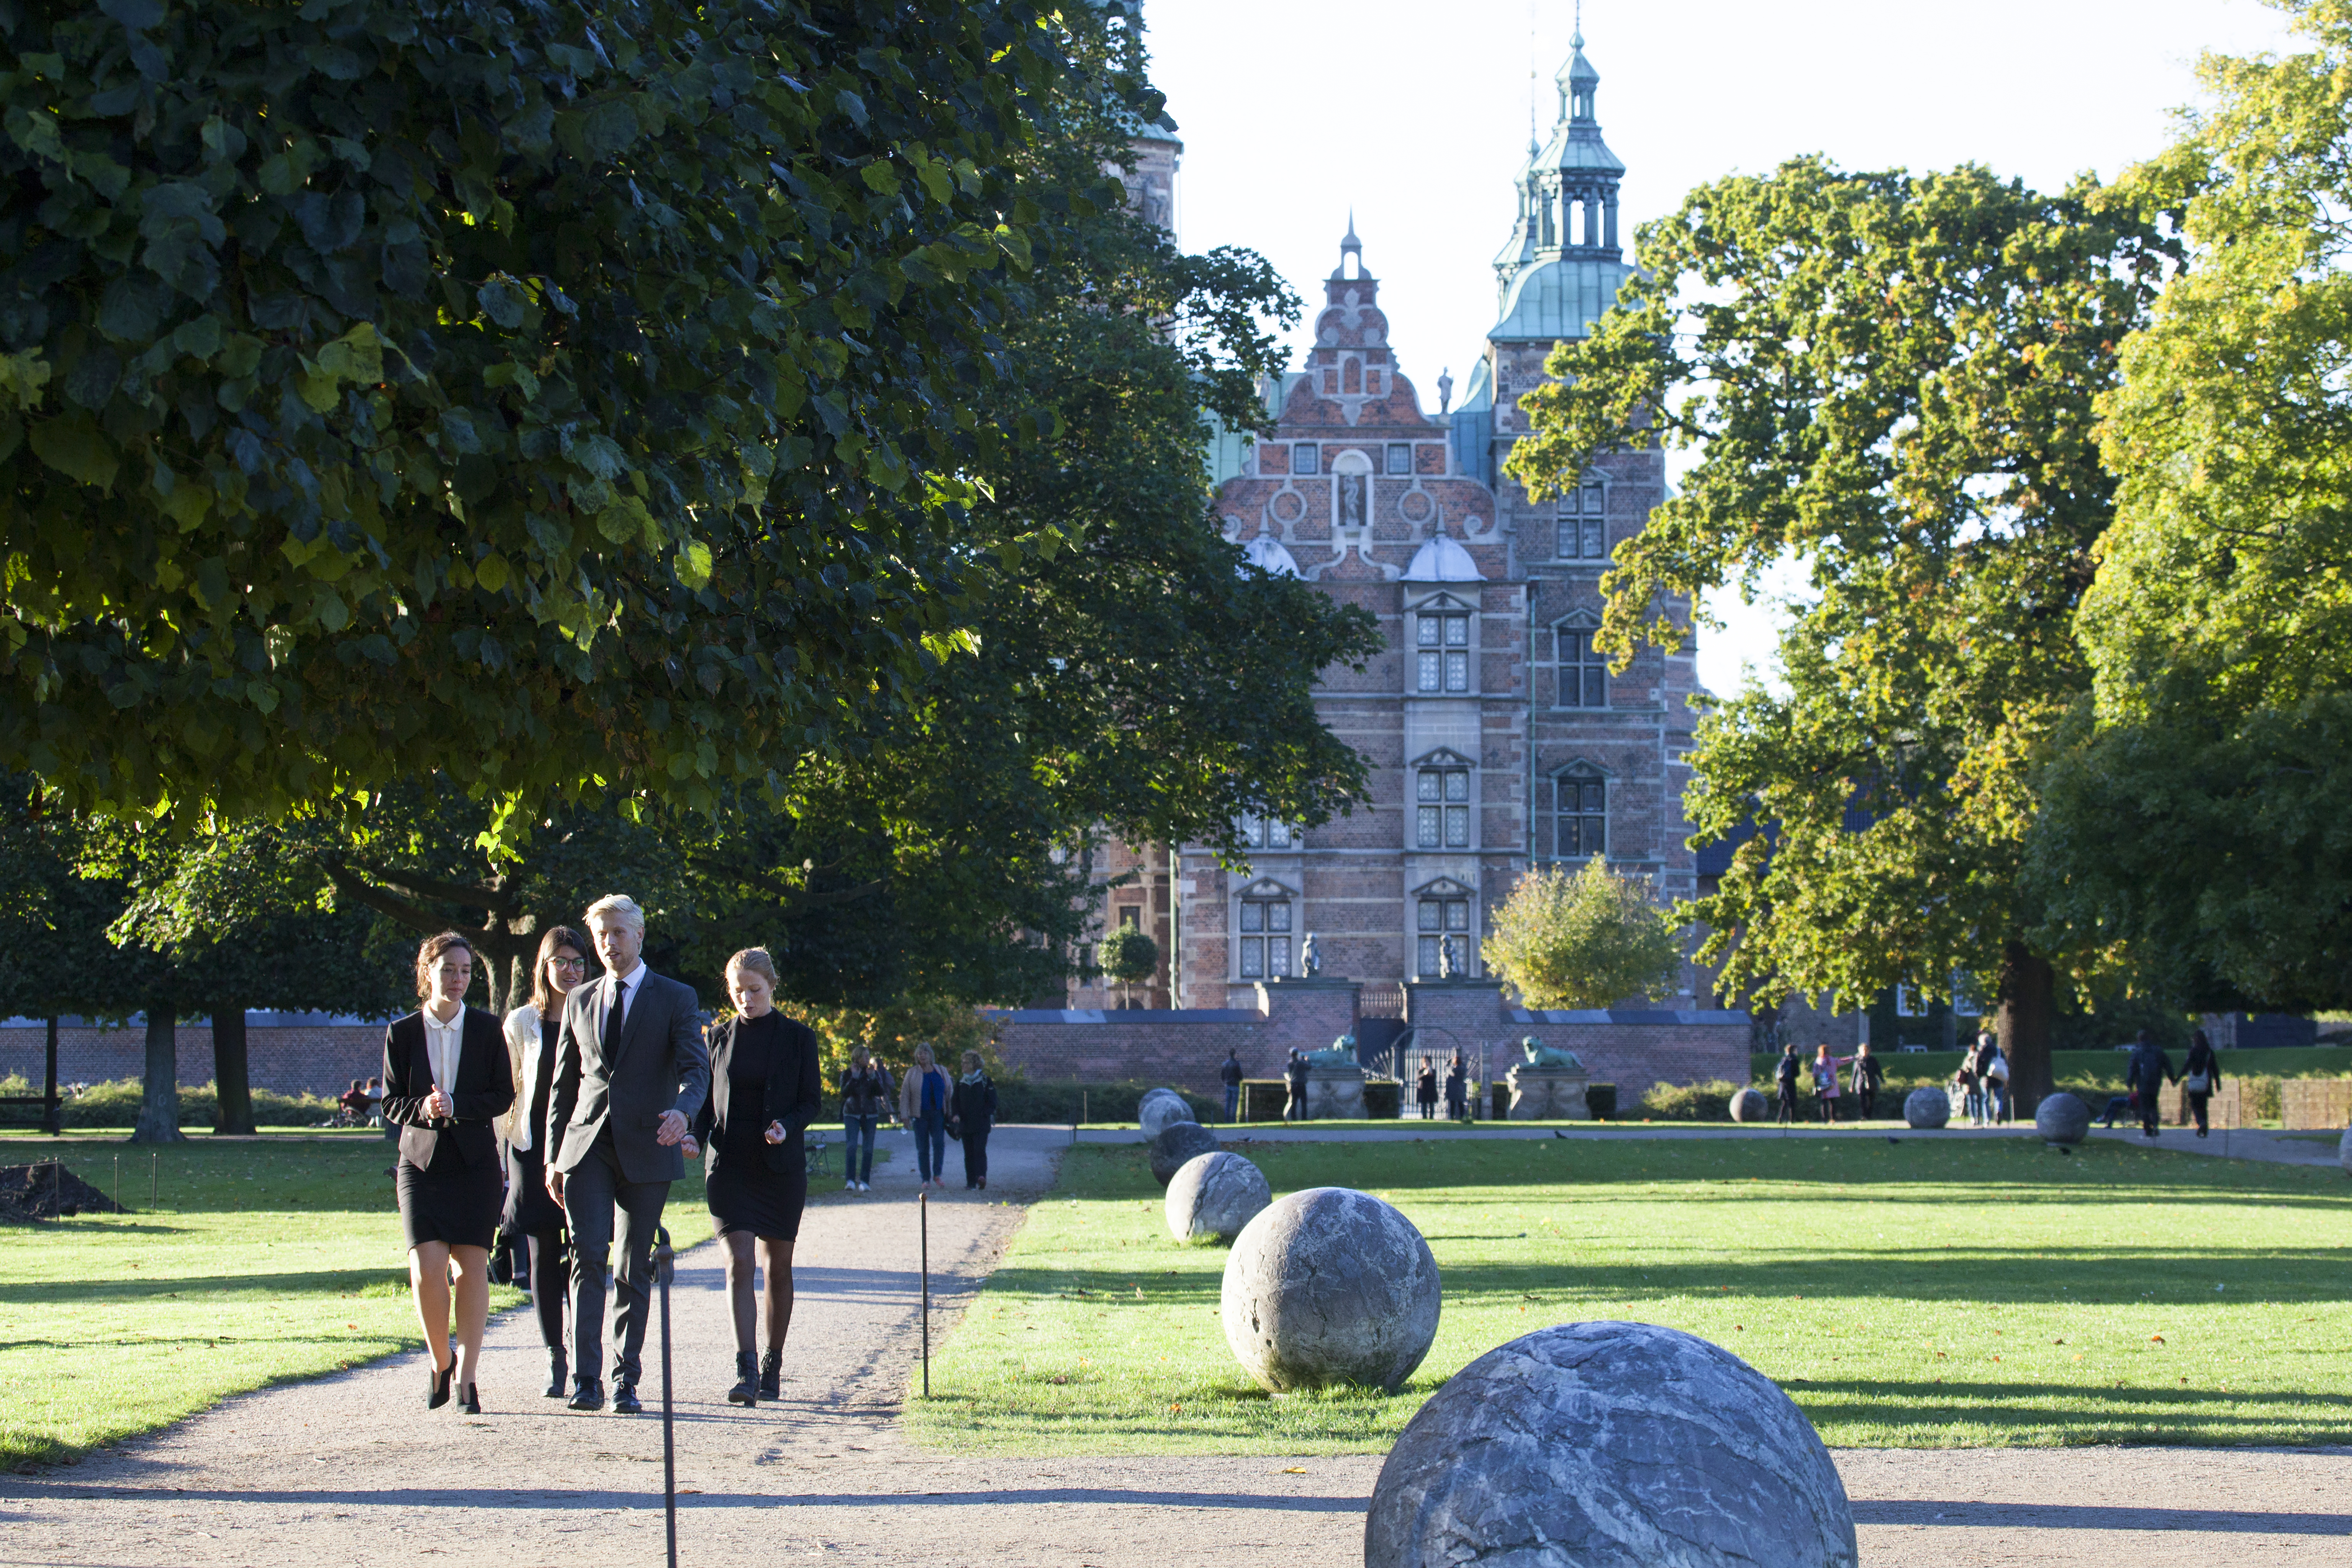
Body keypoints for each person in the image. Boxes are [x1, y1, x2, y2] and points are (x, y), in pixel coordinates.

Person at [544, 893, 711, 1415]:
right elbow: (562, 1084)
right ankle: (586, 1379)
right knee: (588, 1255)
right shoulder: (580, 999)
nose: (610, 943)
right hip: (587, 1145)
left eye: (618, 932)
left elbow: (695, 1067)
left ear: (639, 935)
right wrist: (554, 1156)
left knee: (633, 1264)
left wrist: (684, 1112)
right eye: (601, 935)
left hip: (648, 1142)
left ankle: (625, 1379)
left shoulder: (675, 997)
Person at [680, 948, 821, 1407]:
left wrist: (788, 1125)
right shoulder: (716, 1037)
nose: (746, 998)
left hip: (779, 1167)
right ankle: (744, 1366)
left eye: (754, 990)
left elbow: (810, 1101)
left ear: (772, 986)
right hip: (730, 1166)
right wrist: (693, 1137)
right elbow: (703, 1102)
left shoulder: (800, 1038)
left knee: (775, 1265)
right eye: (737, 990)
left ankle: (772, 1363)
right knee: (738, 1262)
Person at [383, 931, 513, 1416]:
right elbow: (391, 1101)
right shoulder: (402, 1031)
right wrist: (424, 1106)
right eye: (449, 970)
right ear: (428, 972)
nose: (458, 979)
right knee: (426, 1268)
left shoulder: (486, 1028)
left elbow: (503, 1094)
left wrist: (458, 1105)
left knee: (471, 1267)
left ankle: (469, 1377)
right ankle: (441, 1360)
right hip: (420, 1163)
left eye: (465, 971)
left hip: (476, 1164)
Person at [501, 925, 589, 1399]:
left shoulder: (596, 1013)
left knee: (584, 1248)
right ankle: (556, 1354)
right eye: (561, 961)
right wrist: (502, 1154)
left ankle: (586, 1357)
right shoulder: (522, 1022)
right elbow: (509, 1089)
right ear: (544, 966)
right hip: (530, 1145)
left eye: (578, 962)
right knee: (541, 1253)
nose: (570, 970)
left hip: (582, 1145)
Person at [899, 1043, 953, 1189]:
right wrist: (905, 1116)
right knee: (923, 1148)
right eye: (919, 1054)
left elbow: (949, 1091)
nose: (922, 1056)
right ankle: (925, 1178)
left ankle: (937, 1174)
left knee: (939, 1144)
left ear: (930, 1055)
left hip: (938, 1113)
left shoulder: (941, 1071)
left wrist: (951, 1112)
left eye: (924, 1053)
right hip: (920, 1114)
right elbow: (905, 1095)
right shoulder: (913, 1073)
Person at [839, 1048, 893, 1192]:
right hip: (852, 1113)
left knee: (868, 1149)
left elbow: (881, 1092)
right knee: (851, 1147)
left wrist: (873, 1078)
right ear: (857, 1057)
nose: (868, 1058)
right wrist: (854, 1078)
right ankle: (850, 1180)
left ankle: (865, 1181)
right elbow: (844, 1093)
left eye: (869, 1056)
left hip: (870, 1114)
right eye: (865, 1056)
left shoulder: (872, 1073)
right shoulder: (848, 1073)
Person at [950, 1050, 997, 1191]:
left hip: (981, 1124)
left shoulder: (985, 1081)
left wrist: (985, 1113)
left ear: (974, 1065)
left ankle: (981, 1177)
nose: (963, 1065)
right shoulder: (961, 1083)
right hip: (966, 1124)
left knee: (979, 1150)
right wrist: (956, 1115)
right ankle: (971, 1182)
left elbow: (993, 1101)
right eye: (962, 1063)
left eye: (966, 1063)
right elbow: (955, 1102)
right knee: (969, 1153)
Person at [2125, 1029, 2177, 1140]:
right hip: (2155, 1082)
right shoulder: (2158, 1051)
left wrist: (2130, 1082)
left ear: (2139, 1039)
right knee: (2154, 1104)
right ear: (2149, 1038)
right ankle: (2156, 1125)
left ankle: (2148, 1129)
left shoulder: (2137, 1052)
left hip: (2143, 1083)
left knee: (2144, 1106)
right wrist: (2172, 1078)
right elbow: (2167, 1064)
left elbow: (2132, 1069)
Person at [2181, 1028, 2223, 1138]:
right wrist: (2218, 1083)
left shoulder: (2193, 1051)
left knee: (2195, 1106)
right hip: (2206, 1083)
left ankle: (2201, 1122)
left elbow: (2187, 1066)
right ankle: (2205, 1128)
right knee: (2204, 1106)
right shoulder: (2209, 1052)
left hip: (2195, 1083)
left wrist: (2177, 1078)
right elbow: (2215, 1069)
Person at [1810, 1043, 1850, 1124]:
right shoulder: (1833, 1060)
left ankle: (1824, 1119)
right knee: (1833, 1102)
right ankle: (1833, 1119)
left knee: (1824, 1102)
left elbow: (1815, 1074)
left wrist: (1816, 1083)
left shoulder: (1818, 1061)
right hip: (1832, 1083)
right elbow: (1842, 1061)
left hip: (1823, 1083)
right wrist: (1852, 1058)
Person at [1850, 1041, 1884, 1121]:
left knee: (1871, 1101)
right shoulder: (1858, 1061)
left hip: (1871, 1082)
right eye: (1863, 1050)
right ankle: (1864, 1116)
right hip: (1861, 1083)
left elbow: (1878, 1071)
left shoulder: (1873, 1060)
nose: (1865, 1052)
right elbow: (1854, 1074)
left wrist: (1883, 1080)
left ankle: (1869, 1116)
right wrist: (1851, 1086)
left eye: (1866, 1050)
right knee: (1862, 1101)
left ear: (1869, 1051)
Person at [1985, 1044, 2013, 1125]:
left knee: (1986, 1099)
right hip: (1998, 1077)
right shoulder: (1998, 1050)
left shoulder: (1983, 1050)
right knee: (1999, 1098)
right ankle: (1999, 1111)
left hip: (1987, 1078)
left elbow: (1980, 1063)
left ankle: (1987, 1119)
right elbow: (2005, 1061)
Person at [1774, 1043, 1801, 1126]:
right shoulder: (1794, 1060)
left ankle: (1780, 1118)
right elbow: (1797, 1073)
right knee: (1792, 1101)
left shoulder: (1784, 1059)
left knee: (1785, 1102)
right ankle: (1792, 1119)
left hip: (1783, 1083)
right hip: (1790, 1082)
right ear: (1793, 1051)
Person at [1219, 1049, 1243, 1124]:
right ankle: (1234, 1120)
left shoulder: (1225, 1064)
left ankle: (1227, 1120)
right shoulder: (1237, 1064)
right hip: (1235, 1085)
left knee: (1228, 1104)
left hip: (1228, 1085)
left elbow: (1222, 1075)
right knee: (1235, 1104)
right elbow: (1240, 1076)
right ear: (1235, 1054)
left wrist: (1225, 1081)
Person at [1284, 1049, 1308, 1123]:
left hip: (1293, 1085)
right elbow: (1309, 1067)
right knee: (1304, 1103)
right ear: (1297, 1054)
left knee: (1294, 1103)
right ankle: (1304, 1119)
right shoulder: (1300, 1063)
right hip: (1301, 1084)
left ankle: (1294, 1119)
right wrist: (1306, 1060)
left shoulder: (1290, 1063)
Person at [1444, 1053, 1468, 1121]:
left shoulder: (1456, 1069)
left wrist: (1448, 1064)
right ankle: (1462, 1117)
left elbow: (1452, 1074)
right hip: (1460, 1088)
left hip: (1454, 1088)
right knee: (1461, 1104)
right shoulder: (1463, 1068)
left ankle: (1452, 1117)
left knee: (1453, 1104)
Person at [1416, 1056, 1438, 1120]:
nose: (1426, 1063)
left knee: (1431, 1104)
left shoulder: (1433, 1070)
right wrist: (1424, 1074)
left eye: (1428, 1062)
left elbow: (1434, 1077)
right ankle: (1424, 1117)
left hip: (1431, 1089)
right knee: (1424, 1104)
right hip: (1423, 1089)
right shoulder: (1421, 1070)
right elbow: (1419, 1078)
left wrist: (1430, 1073)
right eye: (1425, 1062)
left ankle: (1432, 1117)